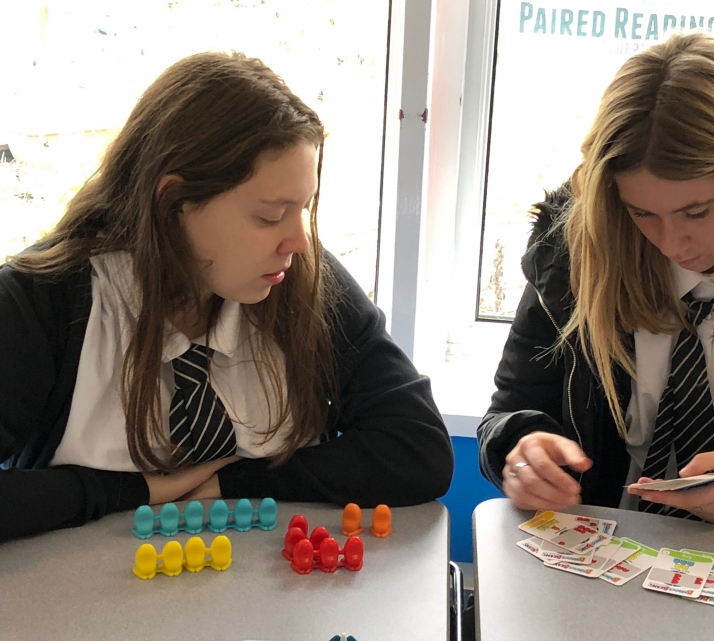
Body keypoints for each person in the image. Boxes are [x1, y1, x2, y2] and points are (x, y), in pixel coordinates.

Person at [0, 51, 453, 543]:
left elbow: (419, 451)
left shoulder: (304, 282)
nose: (298, 242)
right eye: (269, 215)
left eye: (304, 209)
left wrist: (229, 482)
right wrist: (127, 491)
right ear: (172, 202)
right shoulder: (40, 303)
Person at [477, 32, 714, 554]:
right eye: (641, 214)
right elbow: (508, 414)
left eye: (696, 212)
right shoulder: (572, 260)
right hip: (602, 564)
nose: (672, 243)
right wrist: (519, 453)